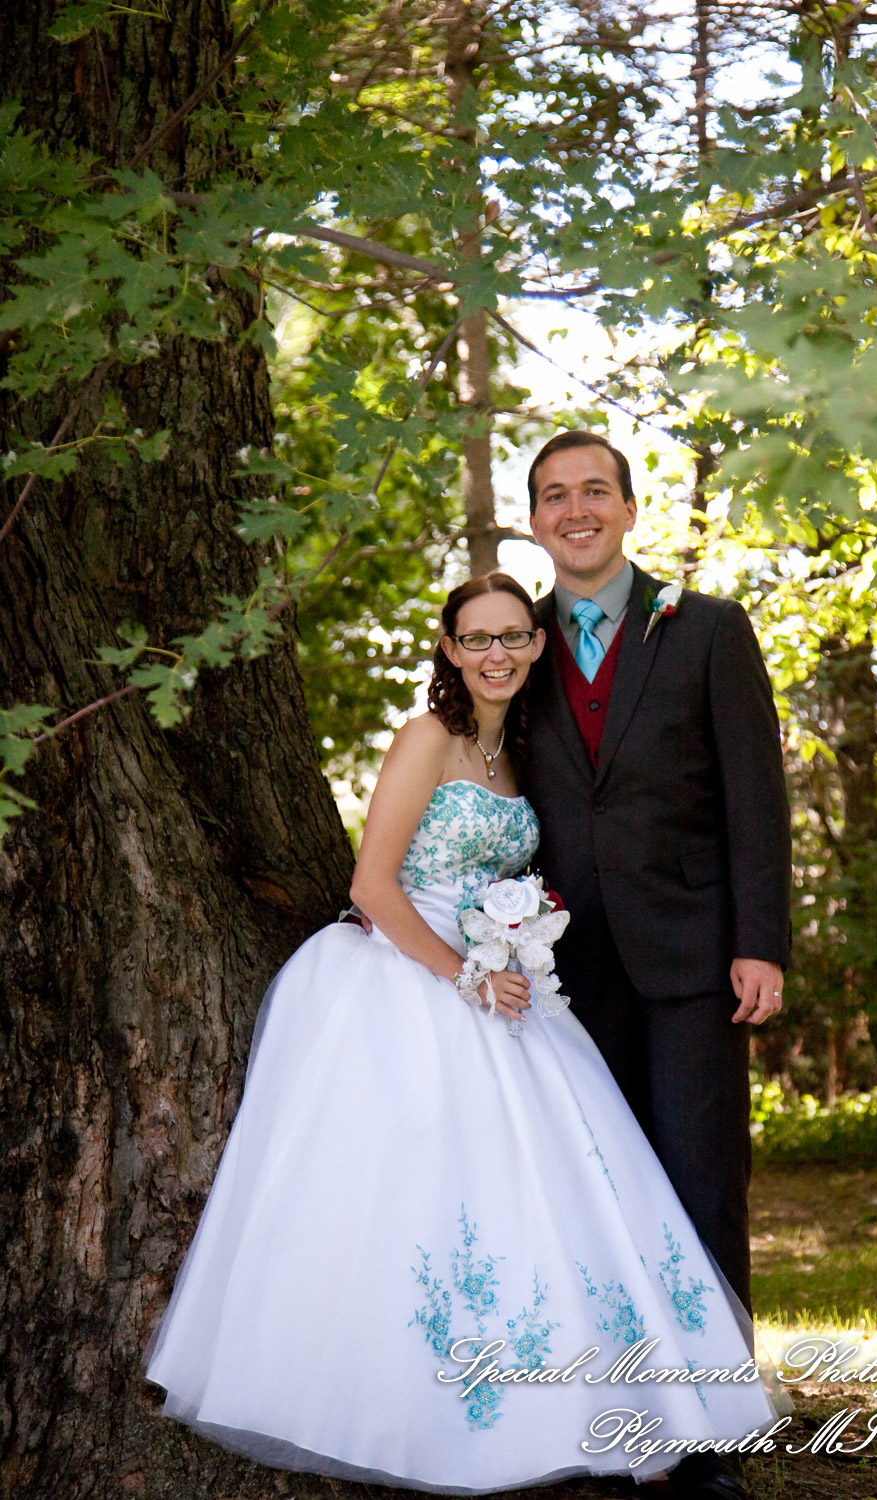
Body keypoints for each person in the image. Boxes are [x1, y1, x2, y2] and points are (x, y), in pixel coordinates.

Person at [142, 571, 785, 1495]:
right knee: (418, 1195)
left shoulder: (518, 756)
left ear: (536, 647)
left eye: (514, 638)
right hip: (404, 980)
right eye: (476, 638)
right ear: (448, 648)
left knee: (546, 1196)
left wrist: (506, 954)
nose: (496, 655)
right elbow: (372, 886)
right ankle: (421, 1420)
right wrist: (466, 975)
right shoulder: (426, 740)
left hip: (499, 985)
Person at [523, 431, 794, 1500]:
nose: (574, 508)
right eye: (553, 495)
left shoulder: (708, 630)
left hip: (690, 956)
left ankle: (717, 1439)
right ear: (535, 520)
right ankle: (621, 1415)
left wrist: (759, 940)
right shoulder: (513, 640)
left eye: (594, 491)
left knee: (697, 1184)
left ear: (628, 511)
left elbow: (753, 801)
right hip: (559, 971)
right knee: (592, 1201)